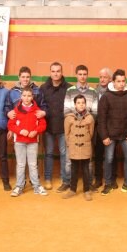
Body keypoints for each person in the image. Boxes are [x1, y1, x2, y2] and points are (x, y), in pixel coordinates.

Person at [97, 69, 127, 196]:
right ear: (113, 82)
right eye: (118, 81)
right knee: (108, 159)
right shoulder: (106, 97)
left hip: (125, 135)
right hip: (110, 136)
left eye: (123, 81)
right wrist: (104, 136)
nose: (121, 83)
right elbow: (101, 119)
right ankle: (108, 184)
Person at [7, 87, 48, 197]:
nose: (26, 98)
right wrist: (20, 131)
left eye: (29, 96)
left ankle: (36, 186)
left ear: (32, 97)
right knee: (20, 165)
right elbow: (10, 125)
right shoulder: (16, 110)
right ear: (21, 97)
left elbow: (43, 125)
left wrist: (35, 131)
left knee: (33, 164)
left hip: (33, 141)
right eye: (24, 95)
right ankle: (19, 186)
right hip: (19, 141)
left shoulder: (37, 111)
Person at [63, 65, 98, 190]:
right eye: (80, 74)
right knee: (70, 161)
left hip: (85, 130)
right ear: (76, 75)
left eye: (85, 74)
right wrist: (76, 120)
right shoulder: (70, 90)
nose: (82, 76)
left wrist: (85, 119)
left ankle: (87, 186)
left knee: (87, 163)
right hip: (73, 129)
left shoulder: (93, 91)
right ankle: (69, 184)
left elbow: (95, 111)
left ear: (87, 75)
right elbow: (67, 109)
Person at [40, 62, 72, 192]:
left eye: (58, 71)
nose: (56, 73)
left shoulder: (69, 88)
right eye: (53, 71)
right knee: (48, 153)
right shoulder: (43, 88)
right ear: (50, 72)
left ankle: (65, 179)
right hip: (48, 127)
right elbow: (41, 106)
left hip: (64, 127)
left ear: (62, 72)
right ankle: (47, 178)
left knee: (65, 154)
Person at [63, 95, 95, 201]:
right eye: (78, 103)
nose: (81, 105)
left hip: (85, 146)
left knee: (86, 169)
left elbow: (91, 133)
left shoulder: (90, 118)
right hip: (73, 146)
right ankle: (72, 190)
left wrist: (84, 141)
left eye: (83, 103)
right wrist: (72, 143)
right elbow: (67, 133)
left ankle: (86, 190)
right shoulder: (69, 118)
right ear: (75, 104)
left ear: (85, 104)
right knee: (74, 168)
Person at [92, 67, 113, 189]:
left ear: (110, 79)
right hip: (97, 128)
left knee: (111, 155)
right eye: (101, 77)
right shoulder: (94, 91)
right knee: (98, 155)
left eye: (105, 77)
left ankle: (111, 179)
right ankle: (98, 179)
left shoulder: (113, 92)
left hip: (110, 128)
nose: (102, 79)